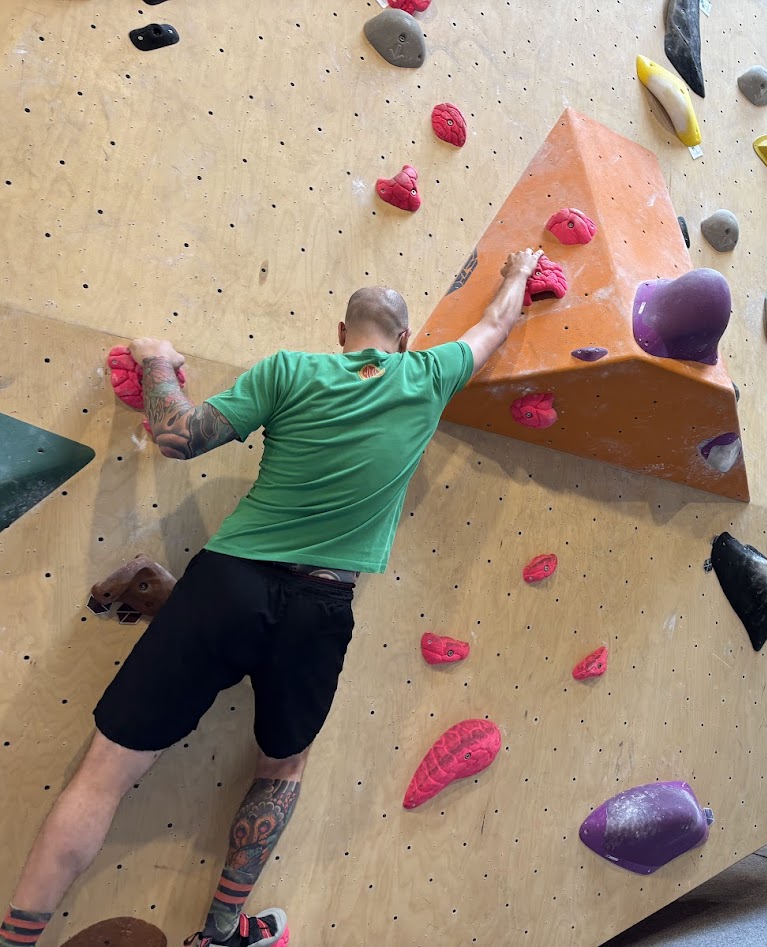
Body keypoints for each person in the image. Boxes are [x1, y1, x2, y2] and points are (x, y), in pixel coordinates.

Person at [1, 249, 543, 947]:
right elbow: (494, 327)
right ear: (405, 339)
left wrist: (157, 356)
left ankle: (16, 940)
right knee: (284, 765)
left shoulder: (292, 368)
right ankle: (222, 930)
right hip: (321, 607)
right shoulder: (429, 374)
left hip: (228, 583)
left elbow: (178, 437)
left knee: (106, 770)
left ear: (341, 332)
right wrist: (516, 275)